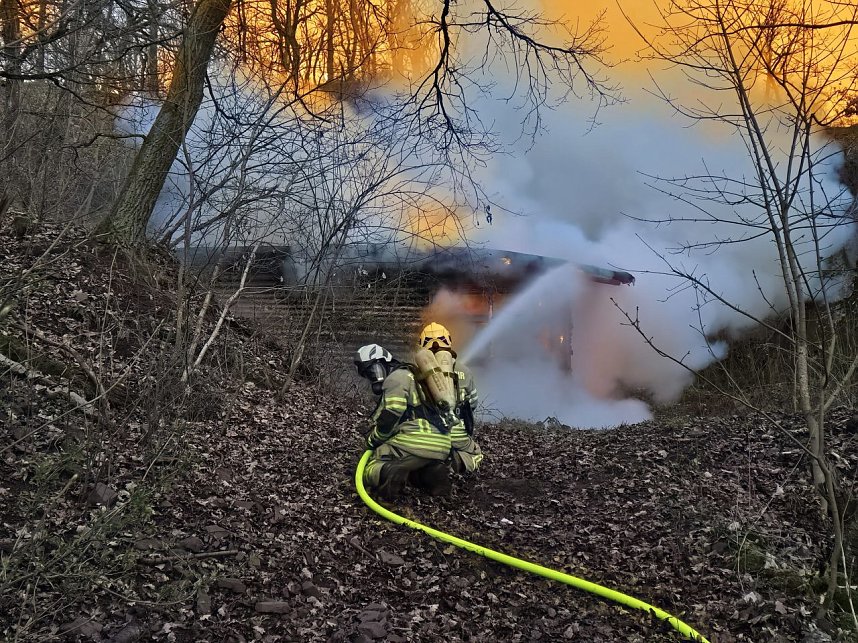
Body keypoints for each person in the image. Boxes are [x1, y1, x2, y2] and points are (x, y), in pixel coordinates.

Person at [354, 343, 452, 498]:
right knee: (413, 467)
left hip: (416, 440)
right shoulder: (416, 375)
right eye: (370, 374)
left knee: (371, 465)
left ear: (385, 361)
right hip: (442, 444)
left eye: (374, 370)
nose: (374, 377)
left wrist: (373, 440)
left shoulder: (395, 379)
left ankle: (389, 473)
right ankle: (432, 475)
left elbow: (391, 415)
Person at [418, 322, 483, 475]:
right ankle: (456, 463)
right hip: (456, 432)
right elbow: (473, 403)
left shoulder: (416, 370)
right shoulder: (464, 371)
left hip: (423, 433)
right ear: (448, 342)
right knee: (476, 454)